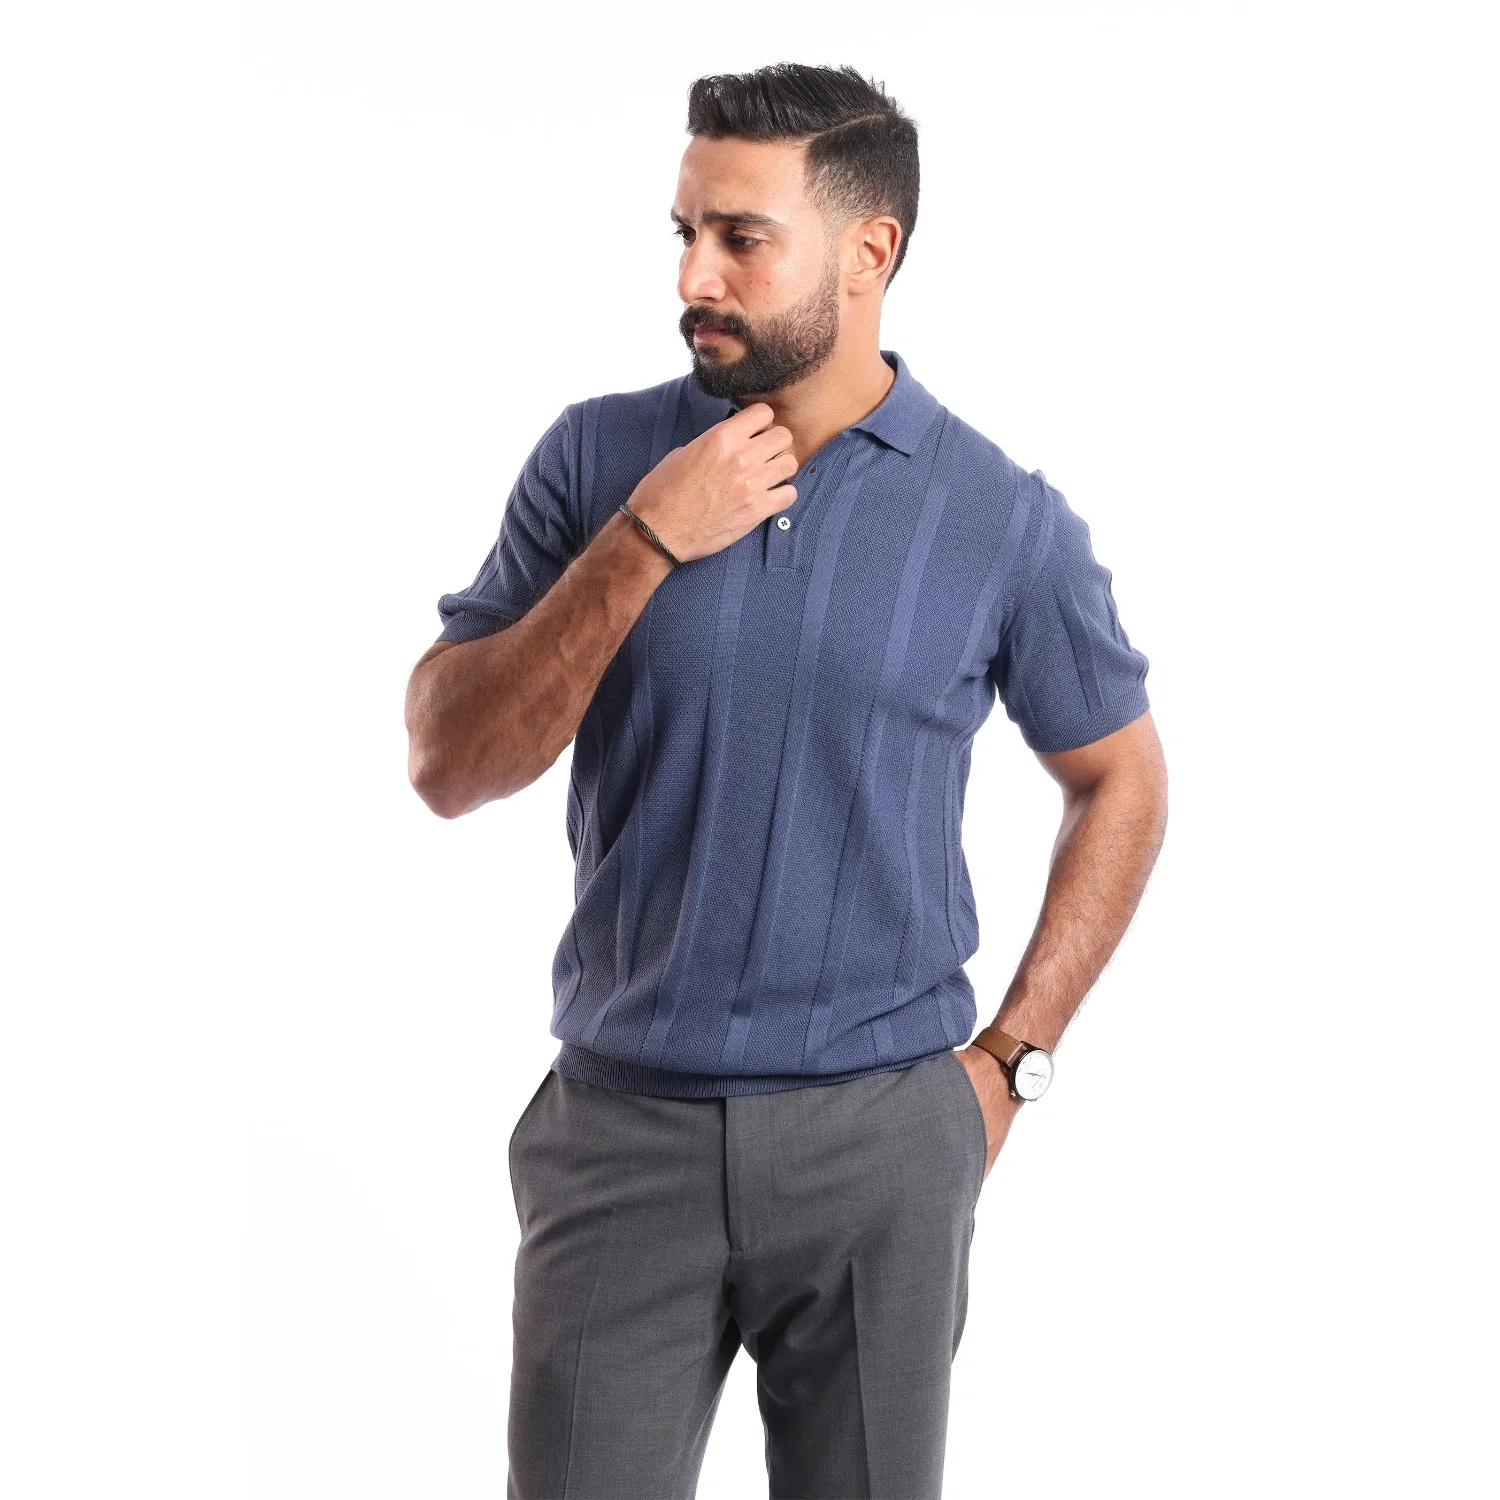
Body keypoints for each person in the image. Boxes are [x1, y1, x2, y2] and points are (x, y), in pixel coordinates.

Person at [405, 60, 1168, 1500]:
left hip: (882, 1142)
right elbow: (448, 763)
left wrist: (1012, 1061)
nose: (693, 275)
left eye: (740, 238)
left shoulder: (1001, 519)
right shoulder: (599, 458)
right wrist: (642, 540)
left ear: (870, 251)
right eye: (684, 231)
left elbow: (1120, 776)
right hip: (620, 1137)